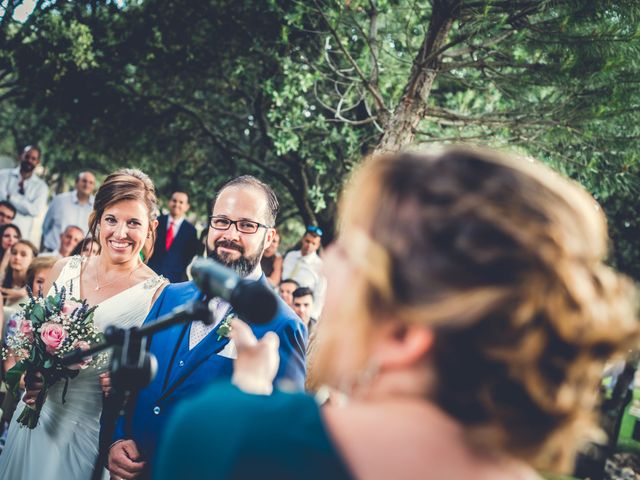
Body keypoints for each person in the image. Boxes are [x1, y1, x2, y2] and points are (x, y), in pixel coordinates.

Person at [156, 147, 638, 480]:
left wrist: (244, 406)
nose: (327, 262)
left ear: (404, 333)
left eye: (352, 250)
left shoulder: (219, 429)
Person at [108, 175, 307, 479]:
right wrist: (117, 437)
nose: (230, 234)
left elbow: (278, 439)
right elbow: (131, 381)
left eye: (246, 225)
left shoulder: (282, 325)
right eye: (222, 221)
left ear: (269, 238)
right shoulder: (171, 295)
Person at [0, 169, 168, 480]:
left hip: (89, 432)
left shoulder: (158, 294)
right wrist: (31, 375)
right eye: (111, 219)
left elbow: (152, 380)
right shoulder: (63, 268)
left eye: (134, 223)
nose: (120, 233)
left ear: (151, 228)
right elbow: (26, 348)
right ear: (97, 220)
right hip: (36, 419)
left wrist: (123, 389)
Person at [147, 191, 201, 282]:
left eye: (181, 202)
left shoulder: (191, 231)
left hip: (175, 279)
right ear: (169, 202)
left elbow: (189, 256)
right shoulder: (156, 222)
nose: (177, 204)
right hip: (150, 274)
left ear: (187, 207)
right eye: (174, 200)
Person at [0, 145, 48, 242]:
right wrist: (25, 206)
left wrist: (10, 197)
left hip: (21, 236)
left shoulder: (41, 187)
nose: (29, 160)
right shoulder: (3, 175)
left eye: (33, 158)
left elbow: (35, 210)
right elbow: (1, 197)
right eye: (27, 156)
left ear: (37, 162)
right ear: (21, 156)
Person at [41, 171, 96, 252]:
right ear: (76, 183)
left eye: (91, 183)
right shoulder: (60, 200)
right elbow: (46, 226)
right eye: (84, 181)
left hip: (79, 258)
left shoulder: (97, 208)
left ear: (94, 186)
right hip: (52, 252)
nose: (87, 185)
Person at [281, 225, 326, 318]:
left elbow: (320, 295)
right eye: (307, 241)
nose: (309, 245)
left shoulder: (320, 266)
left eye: (313, 243)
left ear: (317, 246)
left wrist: (312, 318)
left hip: (300, 312)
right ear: (303, 239)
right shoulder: (290, 256)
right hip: (280, 305)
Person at [0, 239, 38, 317]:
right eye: (14, 253)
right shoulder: (3, 280)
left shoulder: (35, 286)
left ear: (33, 260)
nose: (17, 257)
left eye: (23, 255)